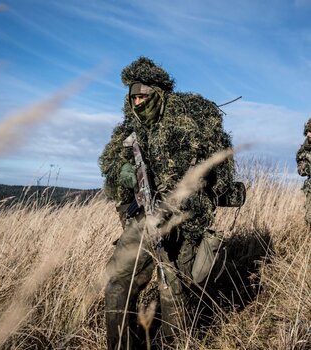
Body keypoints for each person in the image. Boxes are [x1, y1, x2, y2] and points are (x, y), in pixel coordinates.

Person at [99, 57, 236, 349]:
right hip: (143, 223)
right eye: (132, 97)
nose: (137, 102)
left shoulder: (187, 126)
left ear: (158, 94)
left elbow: (206, 176)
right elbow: (110, 167)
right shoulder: (128, 131)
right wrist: (123, 174)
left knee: (173, 291)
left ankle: (174, 344)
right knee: (118, 282)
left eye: (143, 96)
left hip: (184, 223)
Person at [296, 118, 311, 226]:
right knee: (309, 217)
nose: (308, 134)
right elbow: (301, 169)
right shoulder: (304, 149)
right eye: (307, 132)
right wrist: (305, 168)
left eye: (310, 131)